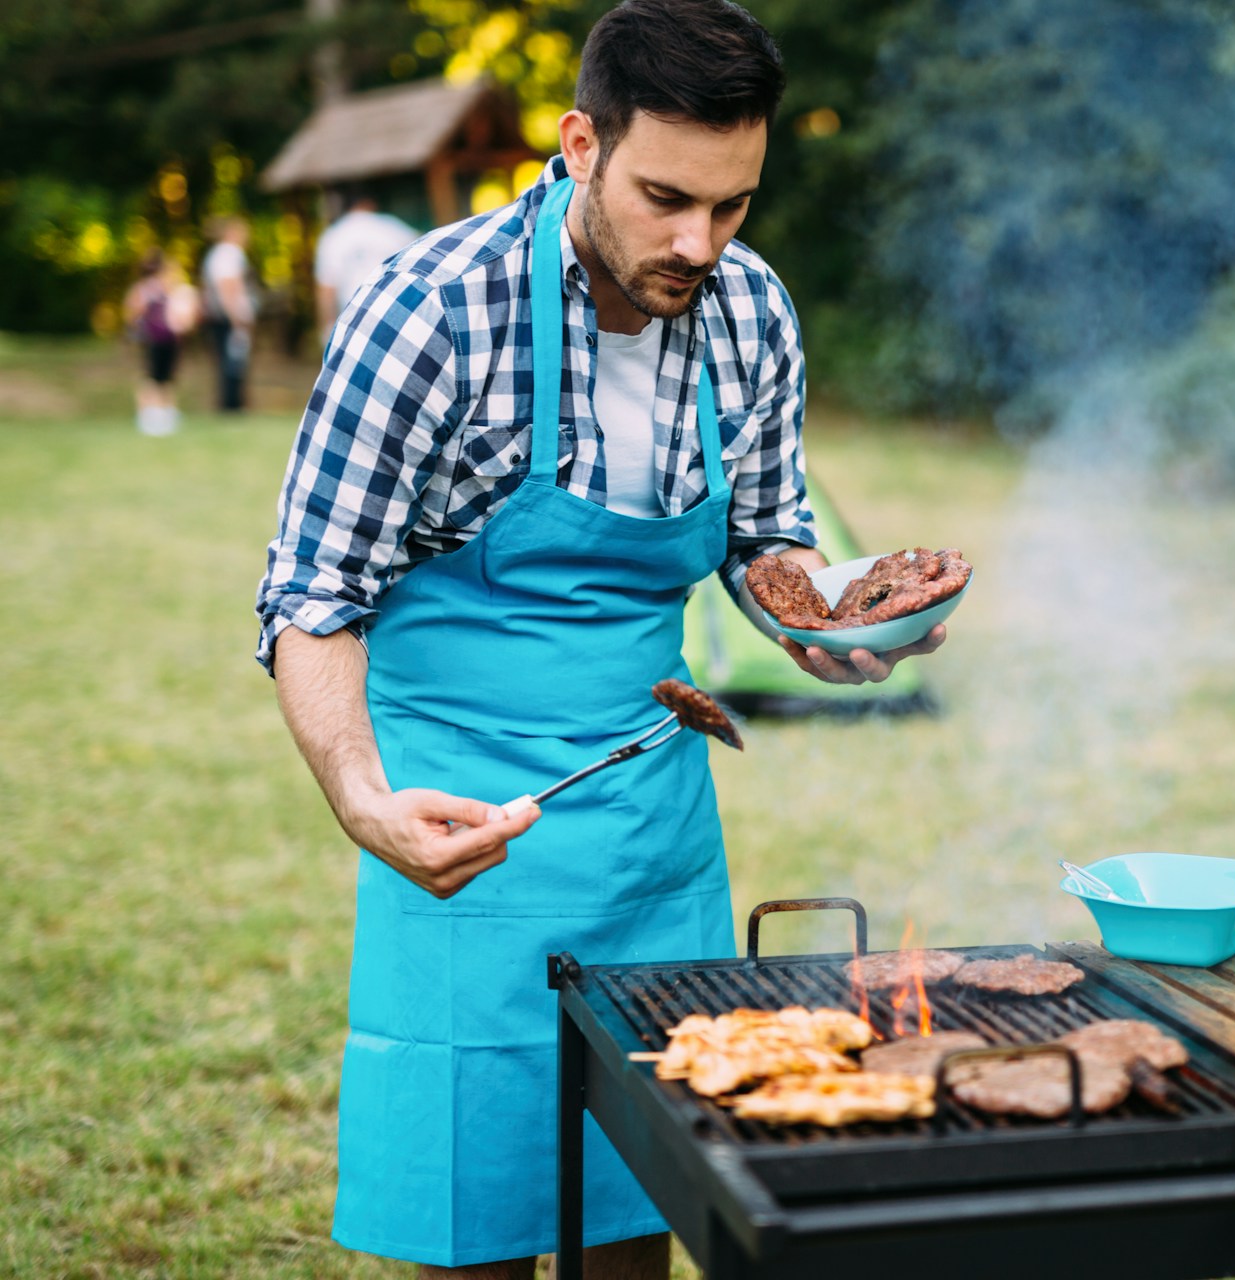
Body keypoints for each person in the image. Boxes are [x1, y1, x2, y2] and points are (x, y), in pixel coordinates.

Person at [254, 2, 944, 1276]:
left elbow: (766, 538)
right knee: (478, 1217)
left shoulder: (751, 311)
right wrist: (361, 799)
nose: (698, 243)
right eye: (665, 197)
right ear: (581, 144)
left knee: (640, 1204)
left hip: (652, 830)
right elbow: (313, 593)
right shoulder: (428, 312)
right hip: (459, 823)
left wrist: (827, 618)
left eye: (732, 205)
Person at [312, 189, 417, 336]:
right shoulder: (391, 225)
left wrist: (328, 327)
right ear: (370, 204)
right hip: (402, 307)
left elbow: (327, 289)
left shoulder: (333, 235)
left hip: (357, 318)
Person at [123, 251, 198, 435]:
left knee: (167, 377)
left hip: (169, 339)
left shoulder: (168, 288)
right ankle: (148, 414)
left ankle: (166, 412)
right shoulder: (143, 289)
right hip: (152, 340)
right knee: (152, 377)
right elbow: (133, 313)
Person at [199, 216, 255, 412]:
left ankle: (231, 404)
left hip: (221, 316)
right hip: (228, 317)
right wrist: (236, 318)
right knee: (233, 363)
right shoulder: (230, 253)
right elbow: (228, 287)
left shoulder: (217, 254)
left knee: (227, 361)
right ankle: (232, 405)